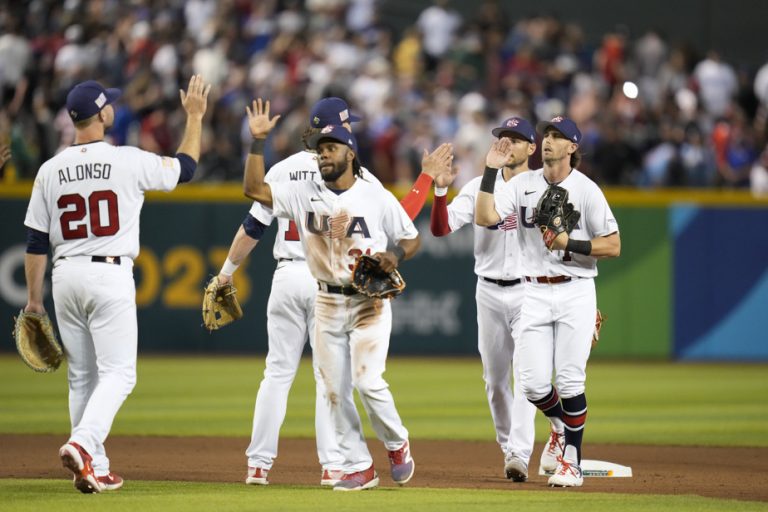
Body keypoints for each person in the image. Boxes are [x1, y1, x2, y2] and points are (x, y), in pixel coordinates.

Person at [215, 97, 450, 487]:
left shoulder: (313, 176)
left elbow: (253, 226)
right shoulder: (319, 187)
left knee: (335, 379)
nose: (327, 152)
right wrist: (424, 180)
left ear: (347, 150)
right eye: (324, 146)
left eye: (333, 146)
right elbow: (253, 190)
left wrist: (226, 272)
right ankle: (347, 465)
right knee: (331, 386)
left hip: (350, 292)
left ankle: (263, 463)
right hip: (320, 287)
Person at [22, 76, 211, 493]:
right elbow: (187, 169)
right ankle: (84, 445)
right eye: (111, 106)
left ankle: (94, 466)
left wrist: (34, 300)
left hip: (64, 274)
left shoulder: (49, 170)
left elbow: (36, 241)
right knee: (120, 373)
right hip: (108, 273)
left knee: (81, 378)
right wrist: (194, 118)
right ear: (102, 113)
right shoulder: (126, 159)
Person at [475, 116, 620, 487]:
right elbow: (485, 216)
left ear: (572, 147)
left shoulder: (586, 190)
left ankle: (572, 460)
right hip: (534, 291)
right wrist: (490, 172)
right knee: (532, 384)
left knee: (570, 380)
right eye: (546, 135)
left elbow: (613, 245)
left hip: (575, 288)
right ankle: (559, 428)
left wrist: (570, 243)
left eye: (558, 136)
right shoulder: (523, 183)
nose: (549, 141)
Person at [429, 117, 539, 482]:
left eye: (515, 139)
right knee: (494, 381)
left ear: (531, 148)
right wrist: (441, 193)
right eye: (501, 138)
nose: (506, 144)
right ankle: (509, 447)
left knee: (526, 376)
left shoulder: (541, 188)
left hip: (528, 290)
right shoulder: (479, 185)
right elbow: (442, 229)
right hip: (488, 290)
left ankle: (519, 454)